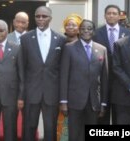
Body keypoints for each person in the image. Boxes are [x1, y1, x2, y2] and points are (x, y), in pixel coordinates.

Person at [20, 6, 66, 141]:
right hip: (31, 92)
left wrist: (62, 96)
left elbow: (62, 69)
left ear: (50, 18)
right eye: (37, 16)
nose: (40, 19)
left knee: (50, 129)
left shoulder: (60, 39)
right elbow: (22, 67)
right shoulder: (26, 38)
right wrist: (22, 94)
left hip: (52, 92)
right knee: (28, 128)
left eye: (44, 16)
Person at [60, 19, 108, 141]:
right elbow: (64, 76)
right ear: (79, 31)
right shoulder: (69, 48)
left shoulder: (102, 49)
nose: (86, 31)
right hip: (74, 101)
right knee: (74, 134)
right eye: (83, 28)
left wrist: (103, 103)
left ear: (94, 31)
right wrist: (63, 102)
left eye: (89, 28)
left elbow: (104, 78)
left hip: (94, 102)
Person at [93, 4, 130, 125]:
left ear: (119, 16)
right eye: (109, 13)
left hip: (121, 82)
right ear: (104, 16)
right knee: (102, 117)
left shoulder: (128, 33)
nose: (111, 15)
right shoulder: (96, 33)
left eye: (114, 13)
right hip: (102, 81)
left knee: (120, 118)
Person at [57, 13, 82, 141]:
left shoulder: (83, 44)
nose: (70, 27)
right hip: (60, 90)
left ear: (79, 28)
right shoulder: (59, 42)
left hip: (78, 92)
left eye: (74, 25)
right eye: (68, 24)